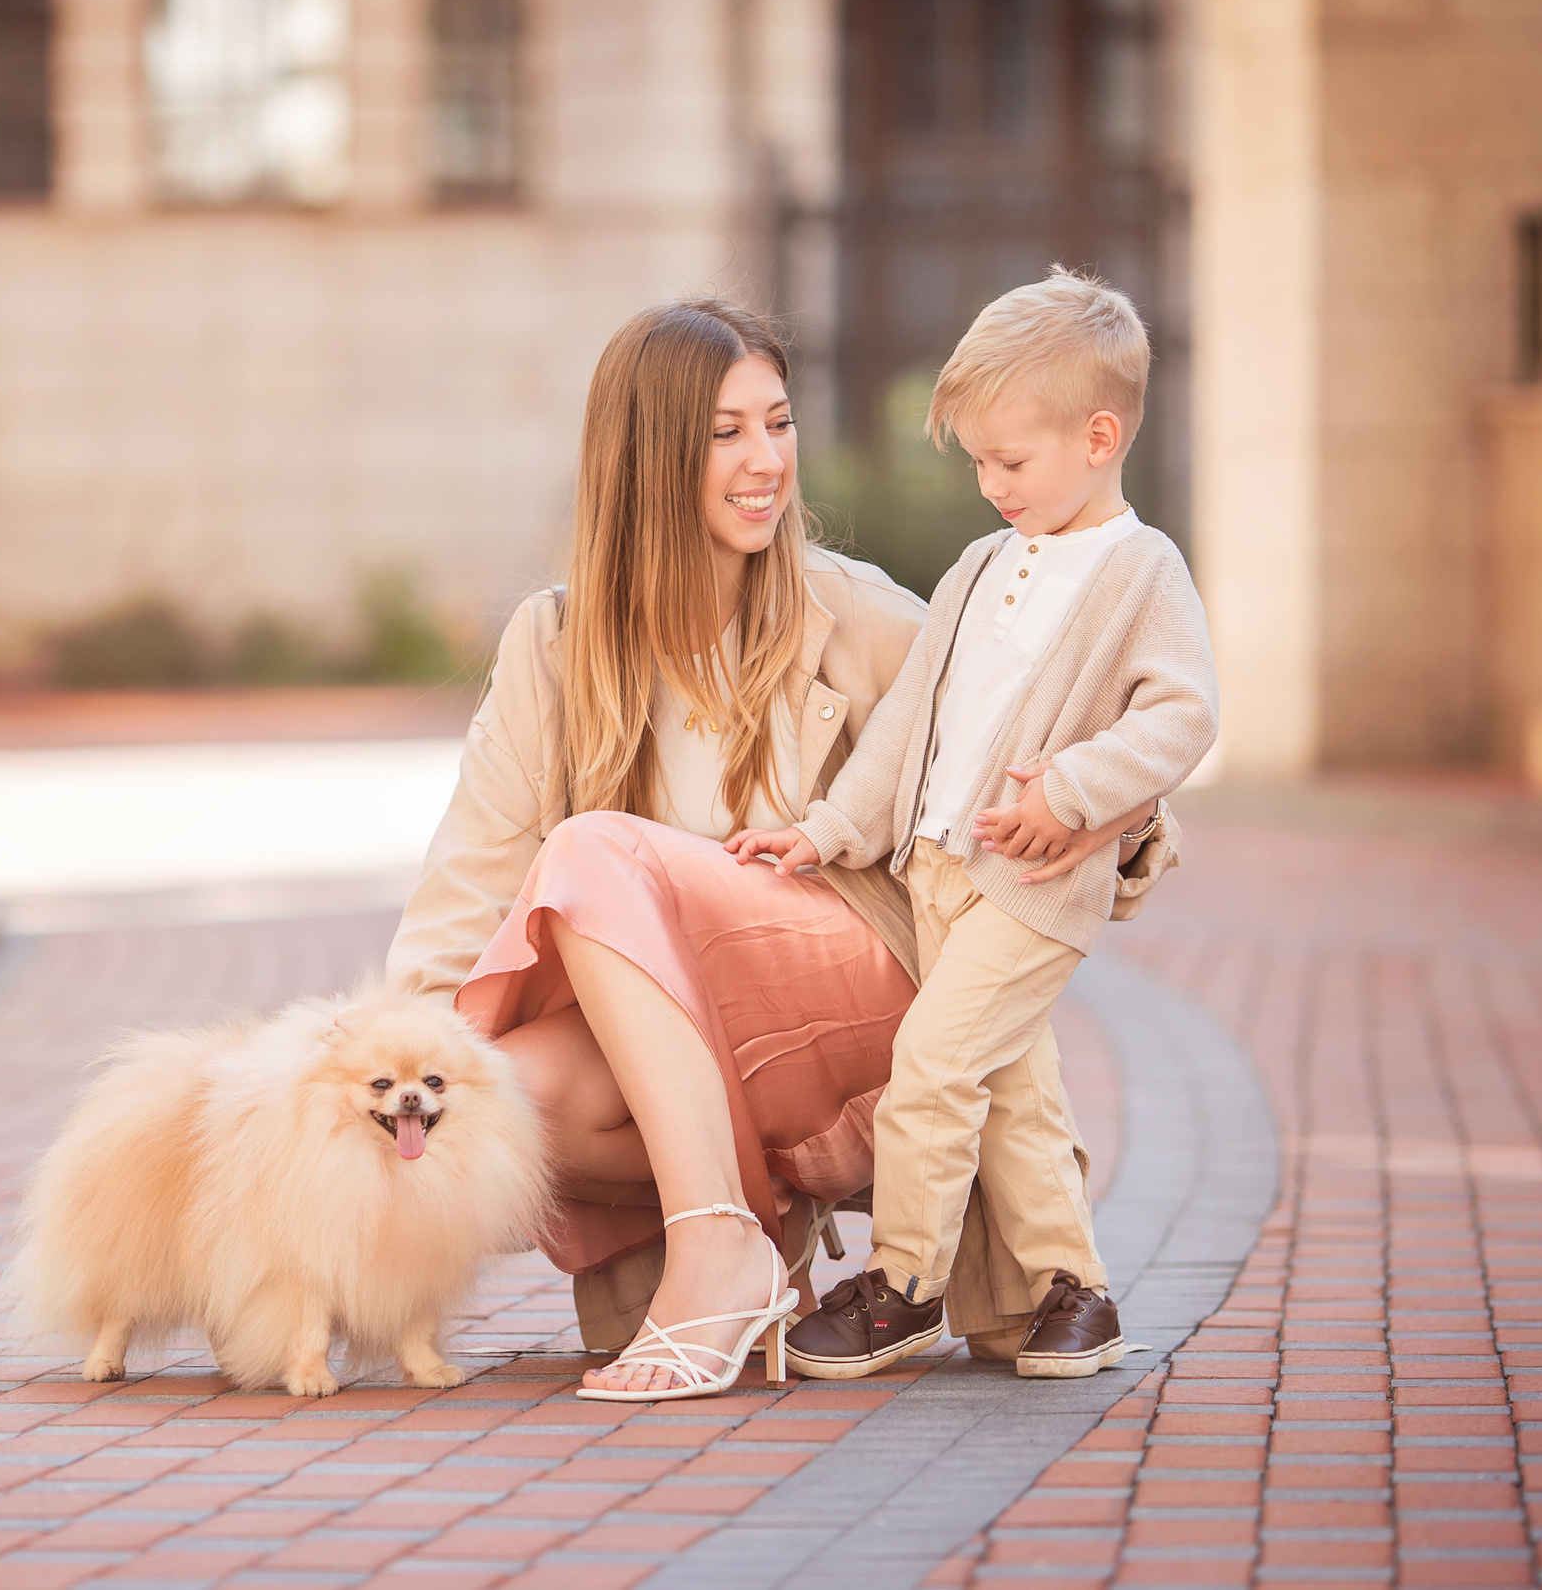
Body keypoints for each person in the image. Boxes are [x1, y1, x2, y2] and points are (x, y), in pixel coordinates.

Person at [384, 296, 1169, 1398]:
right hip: (727, 1073)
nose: (766, 461)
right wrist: (389, 1095)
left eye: (778, 423)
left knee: (594, 854)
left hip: (869, 1016)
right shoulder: (555, 648)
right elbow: (464, 889)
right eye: (724, 433)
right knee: (486, 1103)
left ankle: (713, 1250)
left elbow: (1075, 754)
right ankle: (756, 1213)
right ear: (647, 456)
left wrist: (1110, 818)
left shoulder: (861, 618)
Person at [730, 268, 1219, 1381]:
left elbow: (1184, 713)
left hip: (1032, 882)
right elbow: (910, 724)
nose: (991, 485)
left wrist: (1075, 790)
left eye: (1011, 462)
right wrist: (826, 829)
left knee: (932, 1069)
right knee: (1010, 1095)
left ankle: (903, 1284)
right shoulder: (978, 566)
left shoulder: (1139, 570)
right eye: (980, 464)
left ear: (1098, 437)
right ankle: (1073, 1292)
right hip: (938, 874)